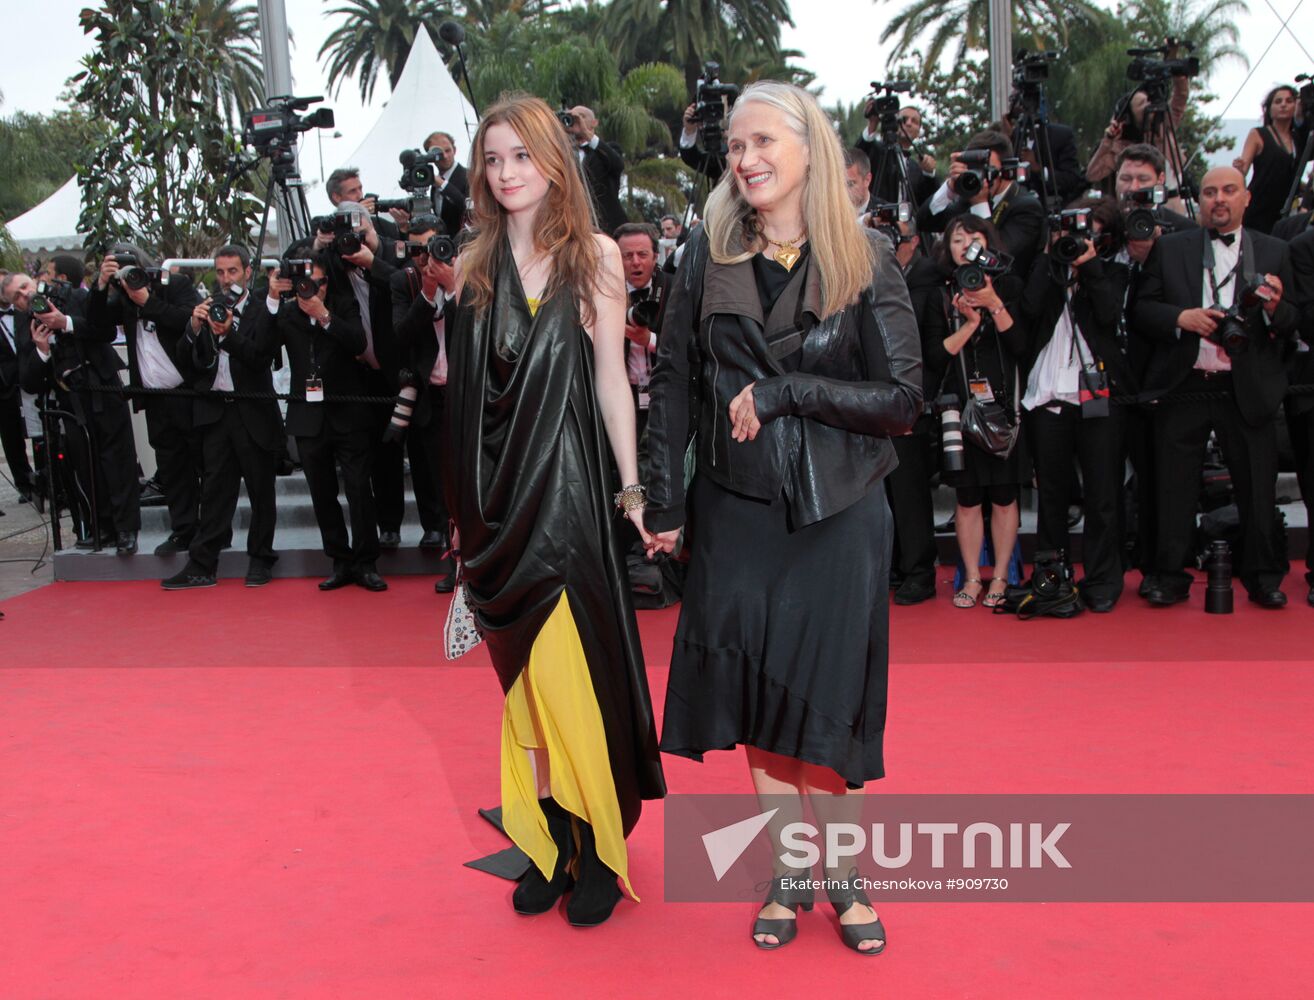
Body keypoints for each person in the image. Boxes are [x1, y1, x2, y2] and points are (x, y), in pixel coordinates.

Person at [644, 81, 922, 953]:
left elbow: (904, 400)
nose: (746, 157)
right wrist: (661, 501)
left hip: (837, 515)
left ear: (811, 149)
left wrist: (789, 390)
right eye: (735, 144)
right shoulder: (708, 253)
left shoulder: (868, 256)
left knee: (828, 707)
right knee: (762, 702)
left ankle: (846, 881)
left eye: (763, 140)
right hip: (735, 511)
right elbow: (675, 383)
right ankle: (789, 872)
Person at [442, 93, 665, 927]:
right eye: (492, 160)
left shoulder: (595, 256)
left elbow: (612, 378)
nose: (505, 174)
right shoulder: (474, 264)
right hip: (495, 497)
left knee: (573, 675)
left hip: (568, 489)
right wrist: (464, 528)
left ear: (552, 159)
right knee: (529, 687)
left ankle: (600, 847)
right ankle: (555, 838)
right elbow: (465, 399)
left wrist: (631, 488)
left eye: (521, 157)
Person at [1133, 166, 1299, 608]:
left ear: (1246, 198)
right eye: (1209, 192)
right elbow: (1141, 310)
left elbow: (1294, 323)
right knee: (1173, 488)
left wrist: (1275, 308)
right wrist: (1179, 318)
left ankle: (1264, 578)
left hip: (1246, 386)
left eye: (1228, 191)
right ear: (1199, 201)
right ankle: (1168, 577)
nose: (1218, 199)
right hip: (1185, 381)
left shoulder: (1275, 251)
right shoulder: (1168, 250)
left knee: (1258, 489)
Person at [1019, 198, 1133, 611]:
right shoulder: (1048, 268)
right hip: (1048, 396)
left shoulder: (1114, 271)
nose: (1078, 240)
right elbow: (1030, 308)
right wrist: (1053, 260)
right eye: (1071, 232)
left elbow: (1108, 314)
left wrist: (1090, 268)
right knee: (1050, 493)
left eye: (1089, 231)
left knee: (1103, 493)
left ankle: (1103, 578)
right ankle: (1052, 574)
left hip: (1098, 396)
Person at [164, 245, 283, 589]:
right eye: (220, 272)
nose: (225, 279)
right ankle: (202, 563)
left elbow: (260, 357)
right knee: (214, 490)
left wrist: (227, 334)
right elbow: (186, 362)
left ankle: (260, 559)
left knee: (262, 490)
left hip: (253, 410)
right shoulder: (206, 309)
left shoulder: (264, 310)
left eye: (232, 271)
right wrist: (193, 327)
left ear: (248, 272)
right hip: (216, 411)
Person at [924, 215, 1027, 609]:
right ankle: (970, 576)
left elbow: (1021, 346)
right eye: (957, 239)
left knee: (1004, 495)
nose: (965, 245)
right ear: (947, 248)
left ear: (989, 243)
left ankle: (999, 576)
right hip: (959, 410)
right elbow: (935, 356)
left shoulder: (1009, 287)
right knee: (966, 498)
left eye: (974, 238)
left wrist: (994, 304)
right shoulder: (940, 295)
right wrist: (968, 323)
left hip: (1005, 408)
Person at [270, 254, 386, 592]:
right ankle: (340, 561)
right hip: (308, 418)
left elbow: (358, 342)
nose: (312, 289)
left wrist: (323, 315)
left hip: (348, 414)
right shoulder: (287, 312)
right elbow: (261, 346)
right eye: (306, 283)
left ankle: (366, 563)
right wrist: (271, 297)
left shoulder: (342, 305)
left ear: (327, 283)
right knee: (322, 495)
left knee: (359, 490)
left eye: (319, 283)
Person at [85, 244, 202, 557]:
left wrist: (147, 302)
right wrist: (101, 285)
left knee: (203, 464)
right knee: (171, 468)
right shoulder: (120, 296)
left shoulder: (173, 285)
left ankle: (213, 531)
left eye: (130, 266)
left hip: (187, 392)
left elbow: (188, 321)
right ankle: (183, 531)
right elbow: (97, 326)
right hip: (153, 398)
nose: (127, 273)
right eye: (118, 266)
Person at [389, 214, 458, 592]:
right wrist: (429, 294)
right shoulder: (404, 282)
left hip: (469, 398)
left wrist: (452, 287)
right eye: (415, 248)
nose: (423, 256)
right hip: (431, 398)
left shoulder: (468, 273)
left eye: (430, 246)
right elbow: (400, 336)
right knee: (438, 487)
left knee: (471, 484)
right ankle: (454, 563)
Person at [919, 129, 1047, 276]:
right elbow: (924, 222)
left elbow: (999, 258)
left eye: (987, 168)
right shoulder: (967, 199)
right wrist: (950, 187)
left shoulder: (1026, 207)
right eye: (973, 168)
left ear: (1006, 170)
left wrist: (980, 204)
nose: (980, 175)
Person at [1086, 45, 1191, 206]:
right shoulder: (1121, 146)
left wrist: (1176, 67)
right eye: (1141, 103)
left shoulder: (1164, 125)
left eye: (1148, 101)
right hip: (1135, 205)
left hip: (1170, 201)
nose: (1148, 105)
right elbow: (1092, 174)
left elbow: (1180, 98)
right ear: (1131, 113)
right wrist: (1107, 142)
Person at [1234, 86, 1305, 235]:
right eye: (1278, 101)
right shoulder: (1258, 134)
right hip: (1259, 208)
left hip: (1285, 211)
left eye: (1289, 101)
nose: (1283, 105)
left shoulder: (1298, 139)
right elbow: (1242, 169)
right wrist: (1239, 167)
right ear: (1269, 109)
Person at [855, 102, 938, 207]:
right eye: (904, 119)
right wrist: (872, 125)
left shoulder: (917, 169)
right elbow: (856, 158)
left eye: (914, 121)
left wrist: (929, 174)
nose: (908, 123)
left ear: (918, 132)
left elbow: (929, 204)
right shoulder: (877, 152)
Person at [564, 105, 629, 235]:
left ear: (595, 122)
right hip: (577, 227)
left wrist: (586, 134)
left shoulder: (607, 149)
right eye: (573, 118)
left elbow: (617, 165)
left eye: (582, 116)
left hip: (609, 226)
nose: (577, 121)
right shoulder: (564, 154)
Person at [423, 130, 470, 236]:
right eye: (438, 153)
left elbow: (468, 207)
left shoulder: (470, 176)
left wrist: (442, 184)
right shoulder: (434, 182)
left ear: (455, 150)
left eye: (448, 150)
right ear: (430, 157)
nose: (445, 156)